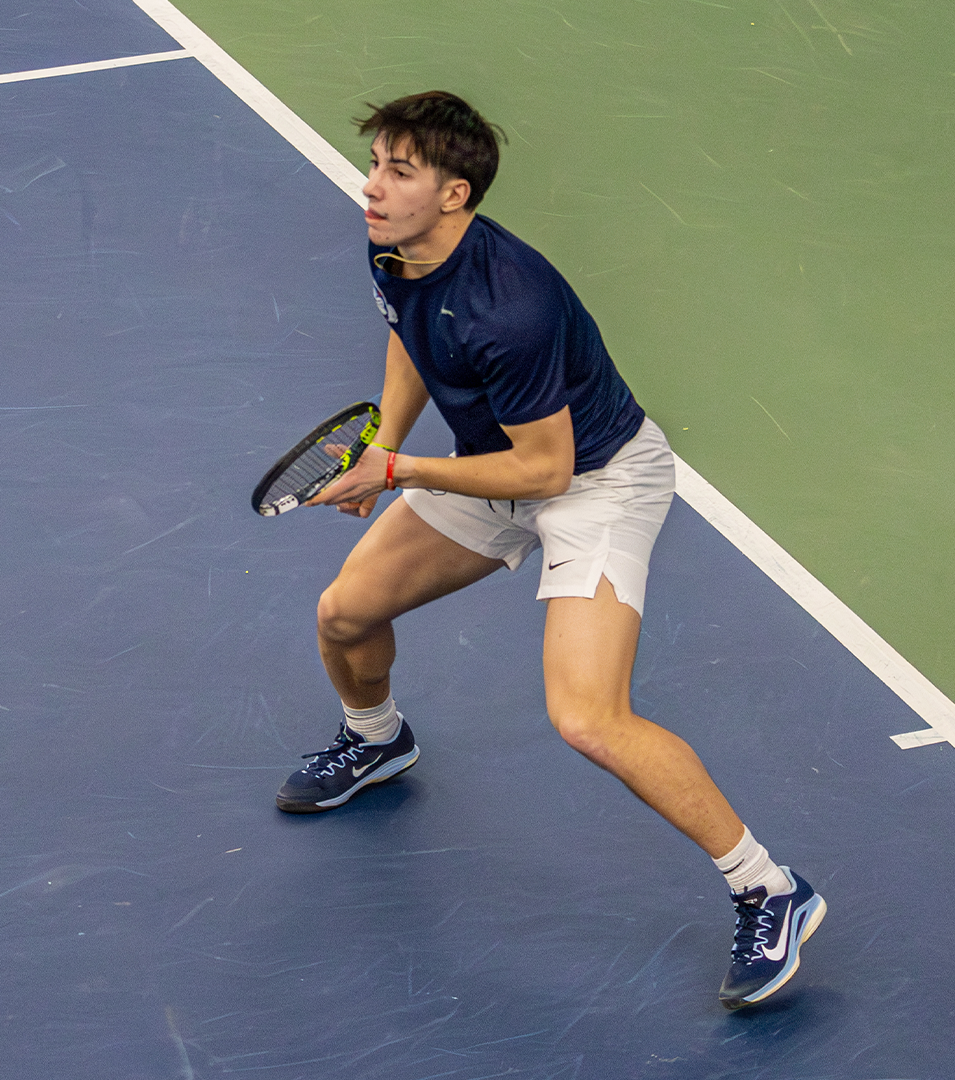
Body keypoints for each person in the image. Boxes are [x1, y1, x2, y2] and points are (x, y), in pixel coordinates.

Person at [274, 90, 825, 1010]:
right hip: (502, 462)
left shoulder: (509, 307)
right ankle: (378, 740)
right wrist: (384, 446)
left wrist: (402, 469)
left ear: (455, 196)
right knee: (345, 612)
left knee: (588, 718)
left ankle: (769, 887)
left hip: (594, 482)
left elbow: (545, 472)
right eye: (374, 164)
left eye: (398, 173)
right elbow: (407, 333)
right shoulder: (393, 245)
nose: (371, 186)